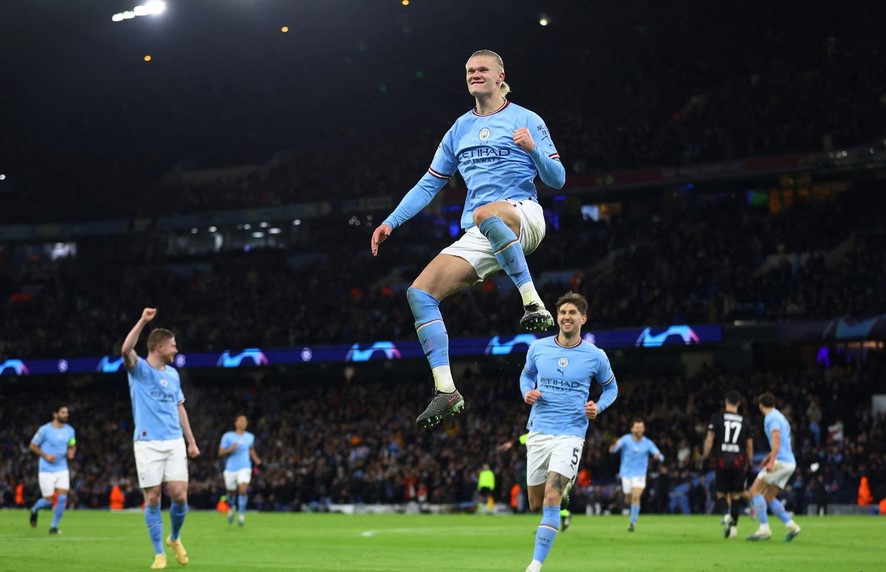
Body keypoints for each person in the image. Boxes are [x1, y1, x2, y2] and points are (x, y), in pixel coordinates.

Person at [371, 49, 566, 429]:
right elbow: (428, 184)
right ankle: (446, 390)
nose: (475, 74)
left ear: (500, 77)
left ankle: (532, 302)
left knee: (483, 212)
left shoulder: (526, 119)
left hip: (523, 215)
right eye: (470, 70)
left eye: (482, 69)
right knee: (420, 293)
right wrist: (391, 222)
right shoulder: (458, 129)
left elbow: (557, 179)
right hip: (484, 229)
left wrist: (534, 150)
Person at [520, 292, 618, 572]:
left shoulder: (595, 356)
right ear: (557, 317)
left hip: (571, 434)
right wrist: (527, 391)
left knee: (550, 496)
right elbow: (526, 375)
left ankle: (535, 565)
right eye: (563, 312)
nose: (566, 316)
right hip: (539, 431)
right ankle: (564, 494)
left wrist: (598, 406)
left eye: (572, 312)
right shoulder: (538, 348)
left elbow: (611, 388)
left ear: (583, 318)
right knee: (535, 503)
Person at [121, 307, 200, 569]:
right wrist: (142, 321)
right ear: (159, 347)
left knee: (179, 495)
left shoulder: (173, 374)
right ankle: (159, 553)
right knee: (153, 497)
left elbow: (180, 408)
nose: (176, 349)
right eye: (173, 345)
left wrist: (191, 441)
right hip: (147, 443)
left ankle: (174, 537)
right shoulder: (139, 370)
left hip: (174, 441)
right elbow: (125, 350)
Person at [746, 392, 802, 542]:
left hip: (780, 461)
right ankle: (792, 526)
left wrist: (772, 461)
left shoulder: (770, 418)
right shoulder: (780, 417)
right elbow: (782, 442)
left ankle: (764, 529)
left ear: (760, 405)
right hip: (789, 462)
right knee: (769, 497)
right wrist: (768, 456)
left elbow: (776, 438)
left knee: (755, 490)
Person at [701, 390, 753, 539]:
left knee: (720, 494)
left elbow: (709, 440)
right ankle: (734, 531)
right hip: (738, 462)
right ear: (739, 403)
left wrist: (705, 457)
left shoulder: (717, 417)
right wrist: (749, 462)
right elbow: (749, 446)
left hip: (722, 461)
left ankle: (726, 515)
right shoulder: (745, 421)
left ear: (726, 402)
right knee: (736, 495)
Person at [609, 418, 664, 532]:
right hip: (626, 474)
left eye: (641, 427)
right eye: (637, 427)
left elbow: (660, 455)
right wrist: (613, 448)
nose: (639, 429)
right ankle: (630, 506)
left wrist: (658, 457)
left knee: (635, 496)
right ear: (632, 429)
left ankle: (632, 523)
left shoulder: (648, 443)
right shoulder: (626, 439)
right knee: (628, 499)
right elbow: (615, 448)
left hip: (640, 475)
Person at [28, 404, 76, 534]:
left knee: (62, 497)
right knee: (48, 501)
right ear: (55, 414)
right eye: (63, 412)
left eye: (67, 412)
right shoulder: (44, 430)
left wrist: (71, 451)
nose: (66, 415)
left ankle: (53, 527)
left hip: (62, 468)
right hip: (46, 469)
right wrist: (46, 456)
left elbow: (72, 443)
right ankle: (35, 510)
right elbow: (33, 445)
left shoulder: (70, 430)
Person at [218, 414, 262, 527]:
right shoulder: (228, 436)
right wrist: (230, 449)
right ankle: (232, 507)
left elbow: (251, 449)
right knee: (231, 493)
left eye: (245, 421)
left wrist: (256, 459)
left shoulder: (250, 437)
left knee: (243, 489)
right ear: (236, 423)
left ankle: (241, 514)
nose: (243, 423)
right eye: (241, 420)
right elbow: (220, 452)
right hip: (230, 469)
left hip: (245, 467)